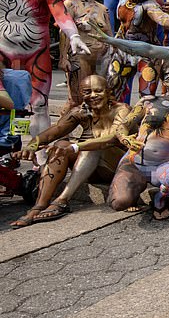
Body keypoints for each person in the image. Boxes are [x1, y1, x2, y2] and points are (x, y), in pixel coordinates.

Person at [9, 75, 128, 227]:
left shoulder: (122, 110)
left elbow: (112, 138)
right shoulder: (80, 111)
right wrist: (32, 146)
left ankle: (62, 200)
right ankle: (39, 205)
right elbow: (56, 130)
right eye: (87, 92)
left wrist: (76, 147)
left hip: (116, 167)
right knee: (60, 144)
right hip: (88, 168)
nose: (93, 96)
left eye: (98, 91)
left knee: (90, 147)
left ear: (108, 92)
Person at [0, 0, 91, 134]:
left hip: (35, 54)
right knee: (6, 102)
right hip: (2, 53)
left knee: (38, 104)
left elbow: (60, 14)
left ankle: (36, 152)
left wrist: (73, 35)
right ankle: (9, 149)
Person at [106, 60, 169, 219]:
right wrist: (125, 138)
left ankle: (159, 199)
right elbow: (123, 126)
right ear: (163, 81)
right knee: (119, 202)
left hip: (164, 167)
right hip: (134, 163)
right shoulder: (148, 102)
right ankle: (134, 188)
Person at [58, 0, 112, 108]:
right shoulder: (71, 5)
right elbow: (63, 32)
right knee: (77, 98)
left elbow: (110, 35)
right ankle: (64, 128)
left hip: (101, 57)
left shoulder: (102, 9)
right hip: (80, 57)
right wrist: (63, 58)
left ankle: (94, 128)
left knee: (99, 99)